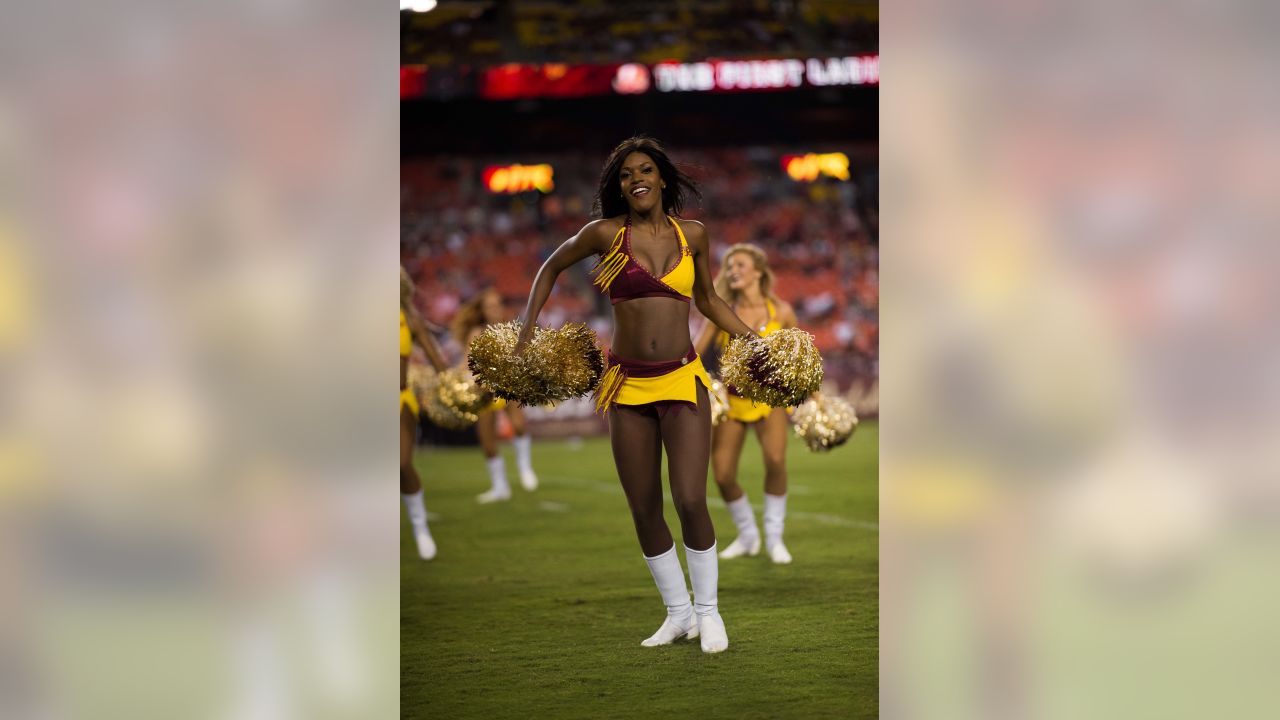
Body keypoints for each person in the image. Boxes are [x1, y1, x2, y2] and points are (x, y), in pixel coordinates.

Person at [515, 136, 757, 653]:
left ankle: (710, 613)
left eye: (644, 170)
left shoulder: (694, 234)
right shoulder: (603, 233)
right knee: (644, 506)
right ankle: (678, 615)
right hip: (625, 385)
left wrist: (755, 341)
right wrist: (525, 330)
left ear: (662, 178)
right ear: (619, 187)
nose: (635, 179)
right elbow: (550, 267)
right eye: (625, 175)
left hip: (683, 377)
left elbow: (709, 300)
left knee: (691, 498)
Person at [694, 244, 800, 564]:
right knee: (723, 474)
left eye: (739, 264)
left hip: (770, 401)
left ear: (758, 271)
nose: (732, 271)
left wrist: (815, 398)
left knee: (776, 461)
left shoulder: (780, 311)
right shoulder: (721, 310)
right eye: (728, 267)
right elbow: (696, 353)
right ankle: (747, 534)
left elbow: (802, 355)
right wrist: (708, 386)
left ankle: (774, 538)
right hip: (734, 402)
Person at [451, 288, 539, 503]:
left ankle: (524, 467)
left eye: (497, 304)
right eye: (490, 306)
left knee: (518, 425)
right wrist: (454, 377)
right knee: (488, 443)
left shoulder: (511, 330)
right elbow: (466, 362)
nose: (495, 309)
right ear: (482, 310)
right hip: (483, 389)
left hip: (508, 385)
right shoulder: (476, 333)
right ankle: (500, 488)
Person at [401, 268, 449, 560]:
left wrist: (459, 389)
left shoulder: (409, 320)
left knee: (402, 463)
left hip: (399, 400)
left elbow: (439, 365)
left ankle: (420, 528)